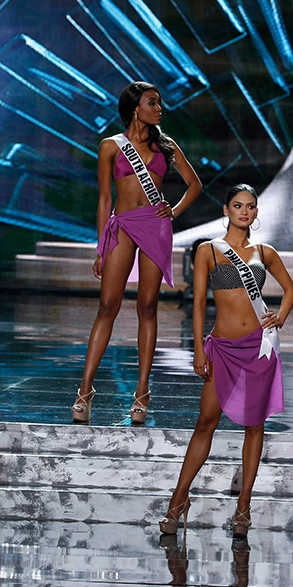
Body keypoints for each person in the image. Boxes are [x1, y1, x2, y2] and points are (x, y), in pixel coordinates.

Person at [159, 184, 293, 539]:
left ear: (255, 212)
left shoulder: (265, 252)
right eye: (238, 205)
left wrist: (280, 315)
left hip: (259, 347)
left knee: (254, 425)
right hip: (222, 348)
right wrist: (198, 349)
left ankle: (243, 507)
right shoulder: (208, 251)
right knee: (206, 421)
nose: (244, 212)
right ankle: (178, 500)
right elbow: (199, 301)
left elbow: (291, 289)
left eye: (250, 207)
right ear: (226, 209)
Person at [72, 81, 202, 425]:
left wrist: (172, 210)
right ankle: (85, 389)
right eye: (153, 103)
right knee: (108, 305)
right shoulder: (111, 146)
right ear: (135, 108)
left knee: (148, 306)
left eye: (158, 103)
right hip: (123, 225)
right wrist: (101, 246)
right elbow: (103, 199)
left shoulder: (166, 145)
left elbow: (195, 184)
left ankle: (142, 390)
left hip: (155, 226)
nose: (159, 109)